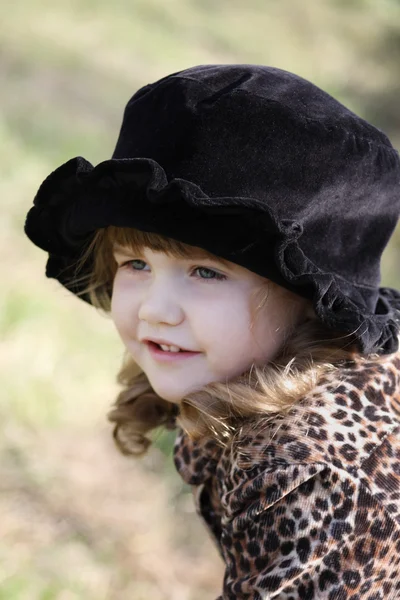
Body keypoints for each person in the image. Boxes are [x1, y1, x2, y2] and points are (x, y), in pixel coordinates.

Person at [25, 64, 400, 599]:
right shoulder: (240, 379)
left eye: (206, 272)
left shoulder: (311, 468)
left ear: (308, 301)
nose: (156, 309)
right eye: (135, 263)